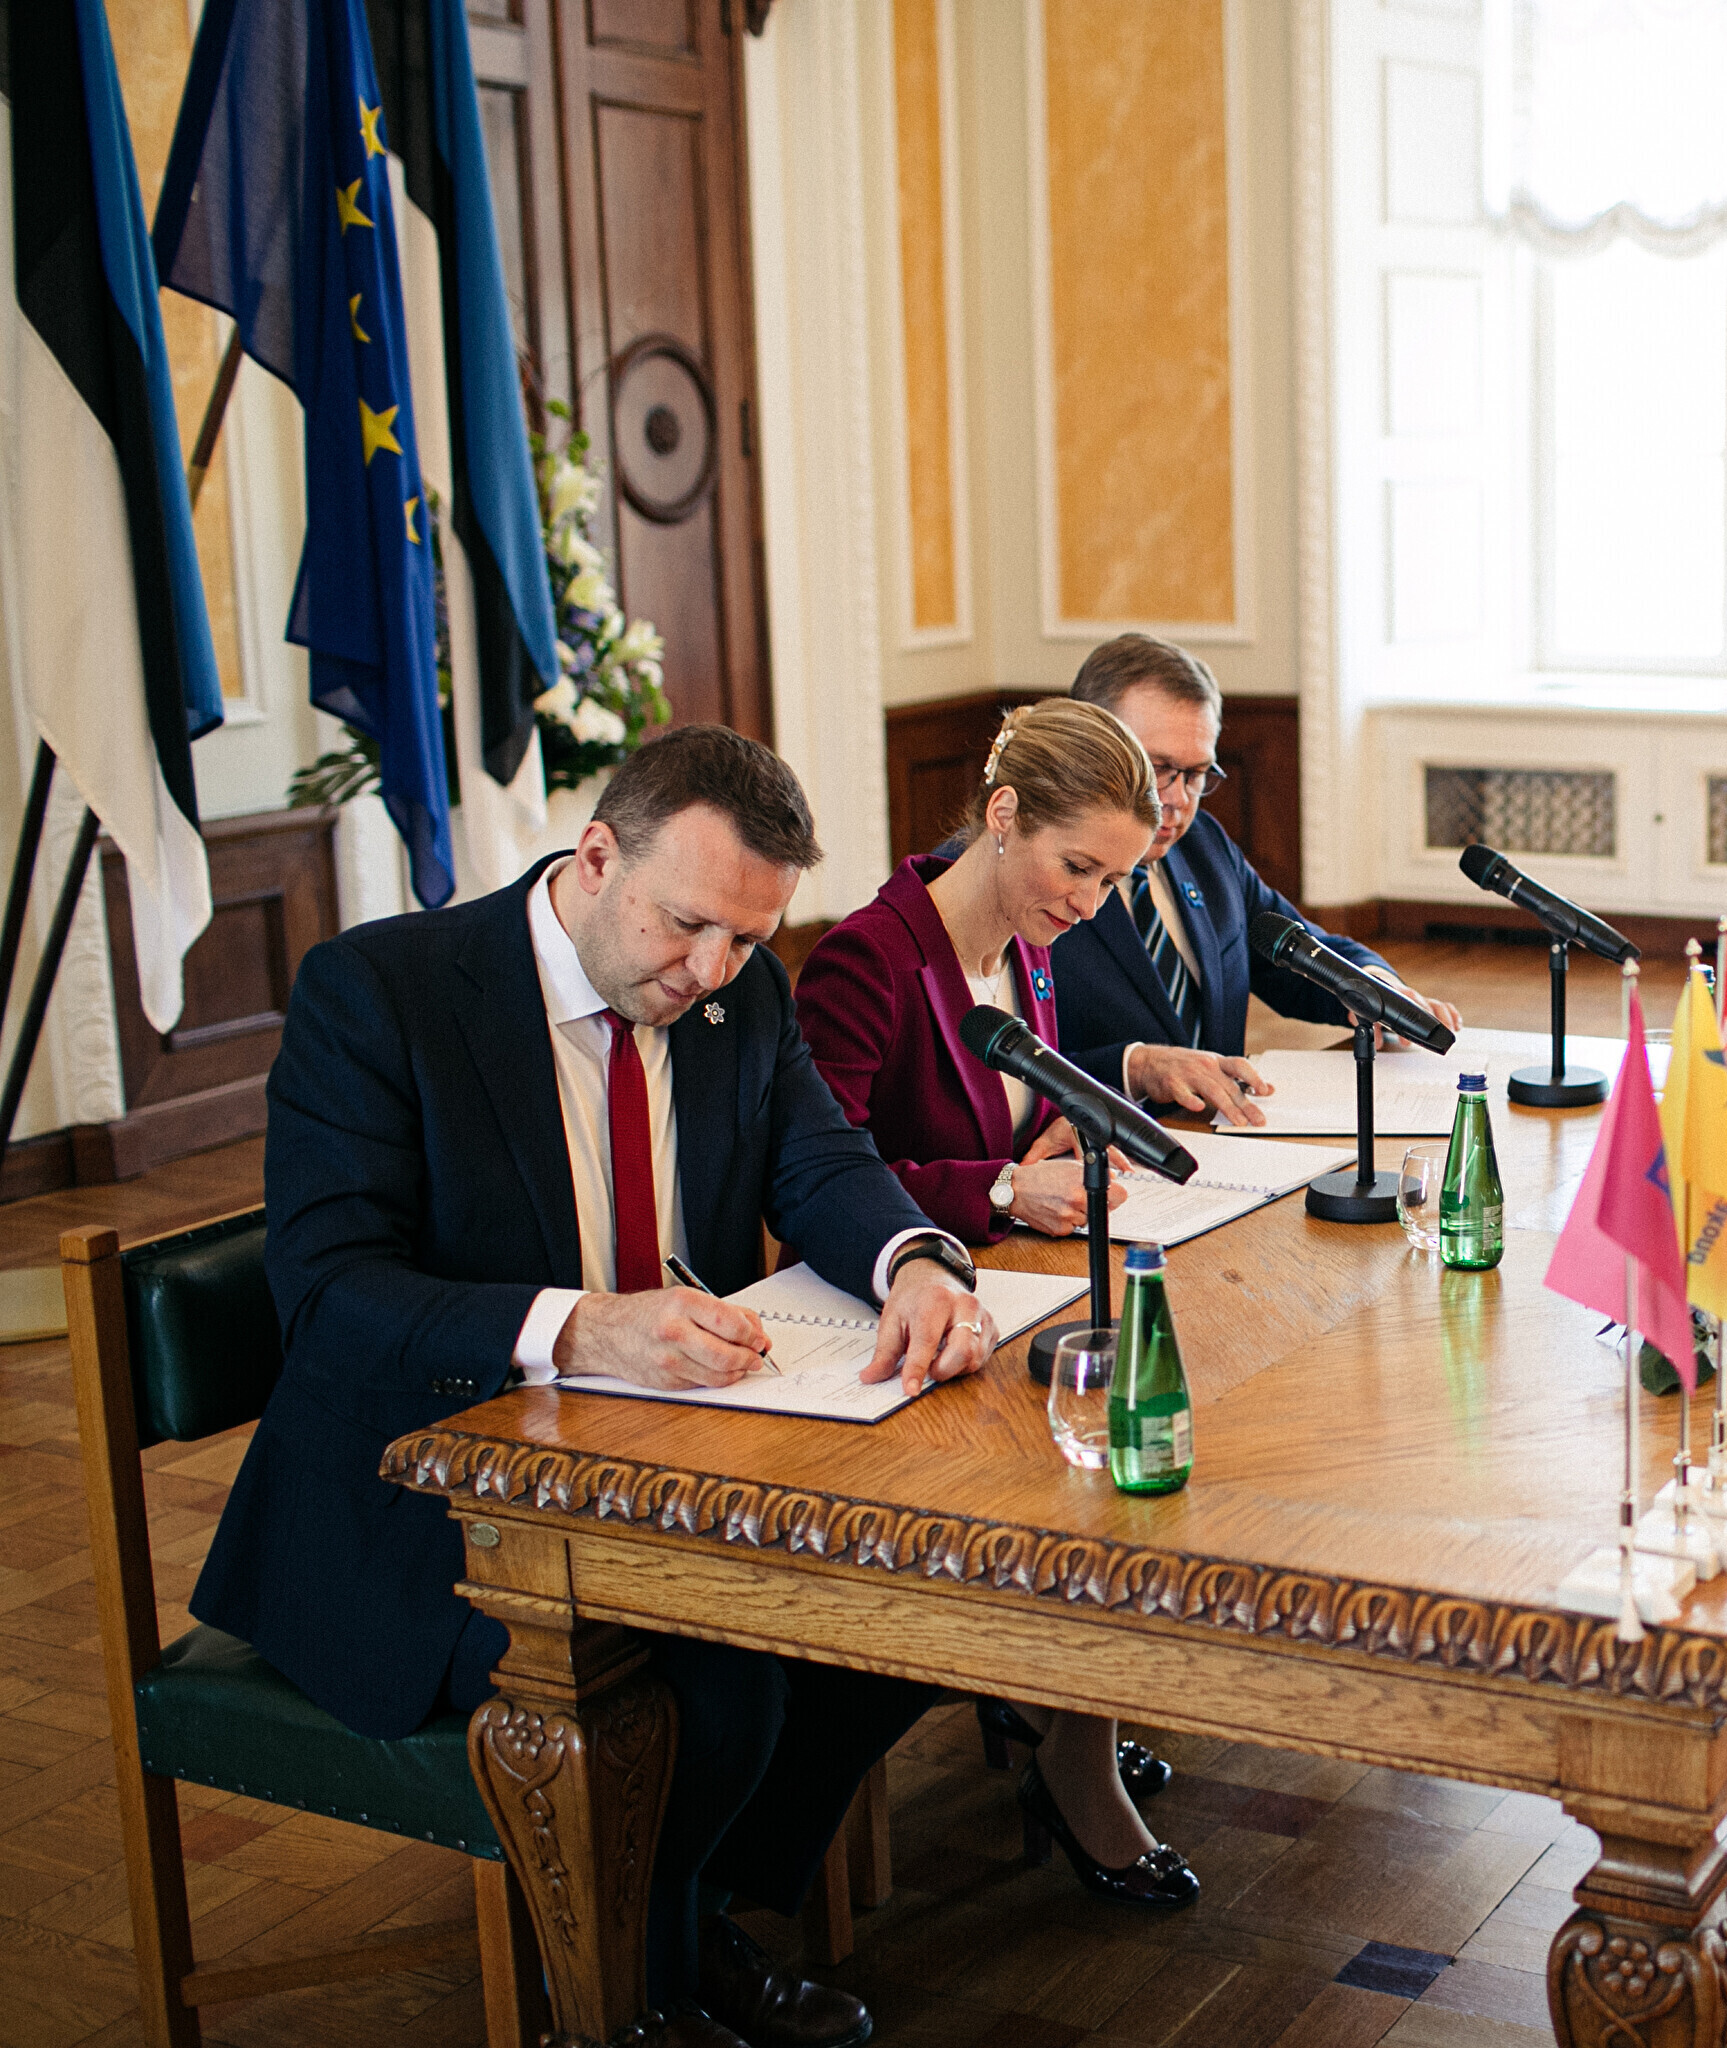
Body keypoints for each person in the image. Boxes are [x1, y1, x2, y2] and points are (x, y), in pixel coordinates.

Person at [193, 726, 994, 2048]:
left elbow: (820, 1162)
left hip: (663, 1463)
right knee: (717, 1679)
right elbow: (329, 1297)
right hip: (426, 1497)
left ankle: (682, 1923)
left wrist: (913, 1260)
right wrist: (581, 1329)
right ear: (597, 855)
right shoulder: (381, 992)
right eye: (688, 926)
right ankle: (628, 2000)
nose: (712, 970)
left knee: (902, 1616)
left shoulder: (740, 993)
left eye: (747, 937)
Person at [793, 700, 1198, 1909]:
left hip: (1004, 1289)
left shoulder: (1029, 941)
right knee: (1099, 1460)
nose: (1092, 903)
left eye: (1114, 879)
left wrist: (1060, 1134)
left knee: (1137, 1421)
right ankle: (1070, 1746)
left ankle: (1070, 1706)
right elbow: (821, 1174)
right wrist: (1005, 1185)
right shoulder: (868, 957)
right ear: (1004, 813)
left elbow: (1007, 1105)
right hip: (890, 1328)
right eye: (1079, 867)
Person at [1047, 633, 1463, 1125]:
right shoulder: (1037, 877)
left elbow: (1295, 953)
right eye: (1158, 768)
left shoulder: (1202, 845)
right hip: (1100, 1149)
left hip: (1231, 1140)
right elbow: (1005, 1071)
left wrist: (1372, 984)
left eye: (1197, 774)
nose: (1178, 799)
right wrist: (1134, 1068)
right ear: (1090, 748)